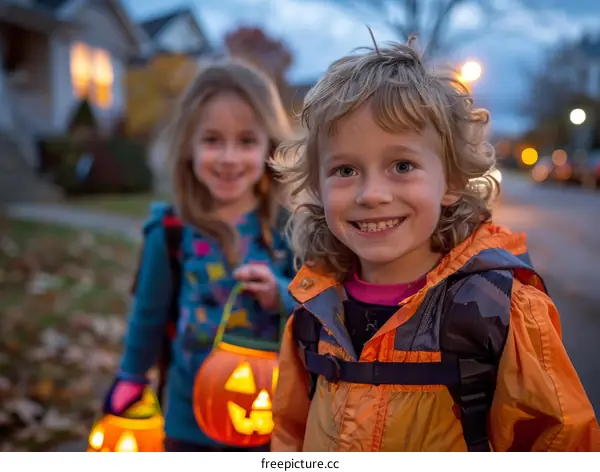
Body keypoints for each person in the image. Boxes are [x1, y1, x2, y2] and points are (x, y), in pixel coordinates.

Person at [269, 38, 600, 452]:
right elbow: (288, 435)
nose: (371, 194)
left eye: (402, 166)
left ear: (453, 181)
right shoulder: (312, 311)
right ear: (317, 185)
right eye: (346, 169)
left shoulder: (501, 314)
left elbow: (561, 443)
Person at [103, 59, 297, 452]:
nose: (228, 157)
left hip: (267, 415)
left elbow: (316, 308)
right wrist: (131, 376)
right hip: (187, 422)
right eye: (212, 140)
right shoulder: (171, 231)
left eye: (246, 141)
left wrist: (281, 293)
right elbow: (148, 316)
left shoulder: (286, 228)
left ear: (270, 148)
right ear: (189, 146)